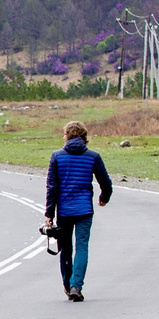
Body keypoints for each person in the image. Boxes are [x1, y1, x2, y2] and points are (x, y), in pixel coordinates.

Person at [44, 120, 112, 301]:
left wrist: (49, 214)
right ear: (84, 137)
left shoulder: (57, 156)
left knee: (65, 248)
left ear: (68, 136)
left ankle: (67, 286)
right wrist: (104, 198)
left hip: (64, 212)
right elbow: (106, 182)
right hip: (85, 210)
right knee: (82, 247)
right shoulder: (93, 156)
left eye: (64, 134)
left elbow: (52, 187)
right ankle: (76, 286)